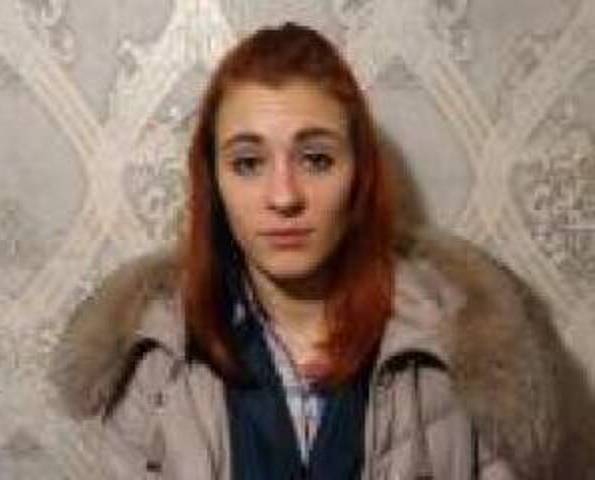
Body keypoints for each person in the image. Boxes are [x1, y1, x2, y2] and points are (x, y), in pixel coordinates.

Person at [51, 23, 568, 479]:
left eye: (316, 159)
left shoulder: (465, 346)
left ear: (359, 174)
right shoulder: (152, 356)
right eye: (248, 163)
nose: (284, 197)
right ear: (213, 183)